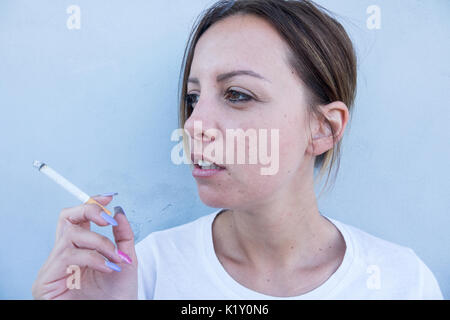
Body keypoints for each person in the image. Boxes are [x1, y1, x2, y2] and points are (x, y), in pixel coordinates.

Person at [32, 0, 443, 299]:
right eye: (194, 98)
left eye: (237, 94)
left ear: (322, 128)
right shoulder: (140, 274)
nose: (193, 125)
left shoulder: (402, 281)